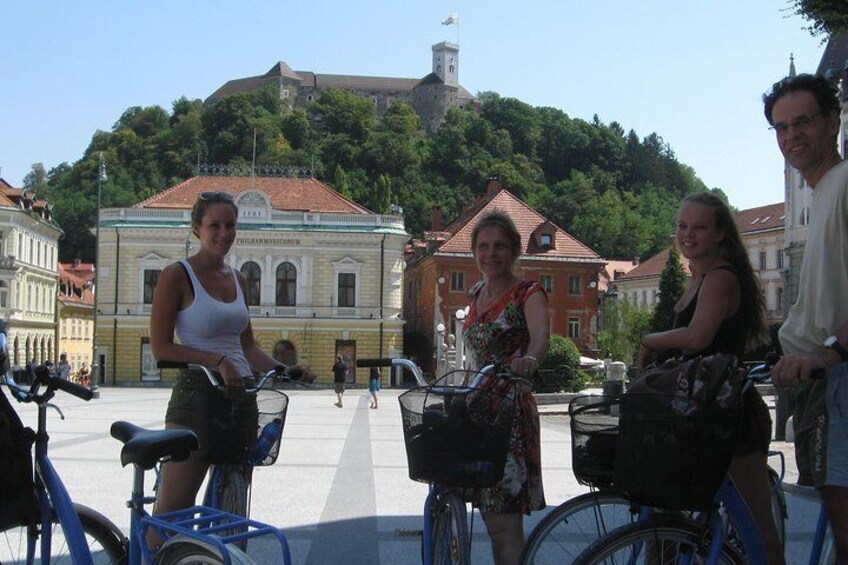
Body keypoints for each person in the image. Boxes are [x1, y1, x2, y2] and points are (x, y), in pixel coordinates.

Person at [149, 191, 313, 537]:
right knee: (171, 514)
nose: (223, 232)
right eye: (214, 225)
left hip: (242, 399)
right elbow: (162, 348)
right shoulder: (177, 274)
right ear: (197, 229)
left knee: (232, 512)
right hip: (197, 399)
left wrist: (285, 369)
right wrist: (217, 360)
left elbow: (248, 346)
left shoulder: (239, 279)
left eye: (230, 225)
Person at [636, 192, 782, 564]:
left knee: (755, 525)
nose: (688, 234)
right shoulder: (697, 276)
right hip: (700, 409)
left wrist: (650, 340)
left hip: (730, 413)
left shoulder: (720, 278)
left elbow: (698, 337)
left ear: (720, 234)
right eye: (683, 226)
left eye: (699, 227)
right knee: (664, 519)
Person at [766, 74, 848, 562]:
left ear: (834, 121)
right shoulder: (822, 194)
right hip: (819, 378)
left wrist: (830, 350)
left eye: (803, 122)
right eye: (781, 127)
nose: (791, 135)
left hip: (838, 376)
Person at [461, 210, 550, 565]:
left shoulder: (528, 292)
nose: (490, 254)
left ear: (514, 250)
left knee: (504, 523)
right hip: (477, 410)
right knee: (488, 516)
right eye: (483, 247)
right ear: (474, 252)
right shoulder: (476, 293)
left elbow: (542, 336)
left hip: (508, 415)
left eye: (499, 246)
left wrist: (528, 361)